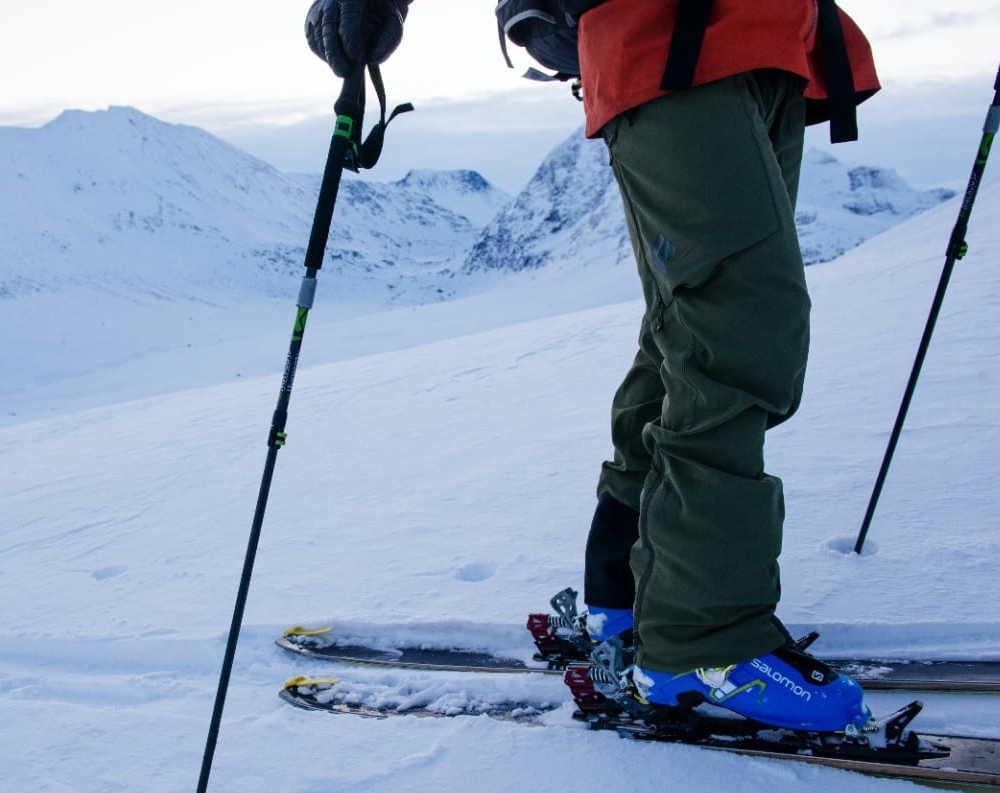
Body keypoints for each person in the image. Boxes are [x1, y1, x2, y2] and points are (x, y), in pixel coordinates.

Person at [304, 0, 881, 734]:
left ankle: (630, 592)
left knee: (696, 331)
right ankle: (703, 642)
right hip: (672, 34)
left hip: (771, 40)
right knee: (737, 336)